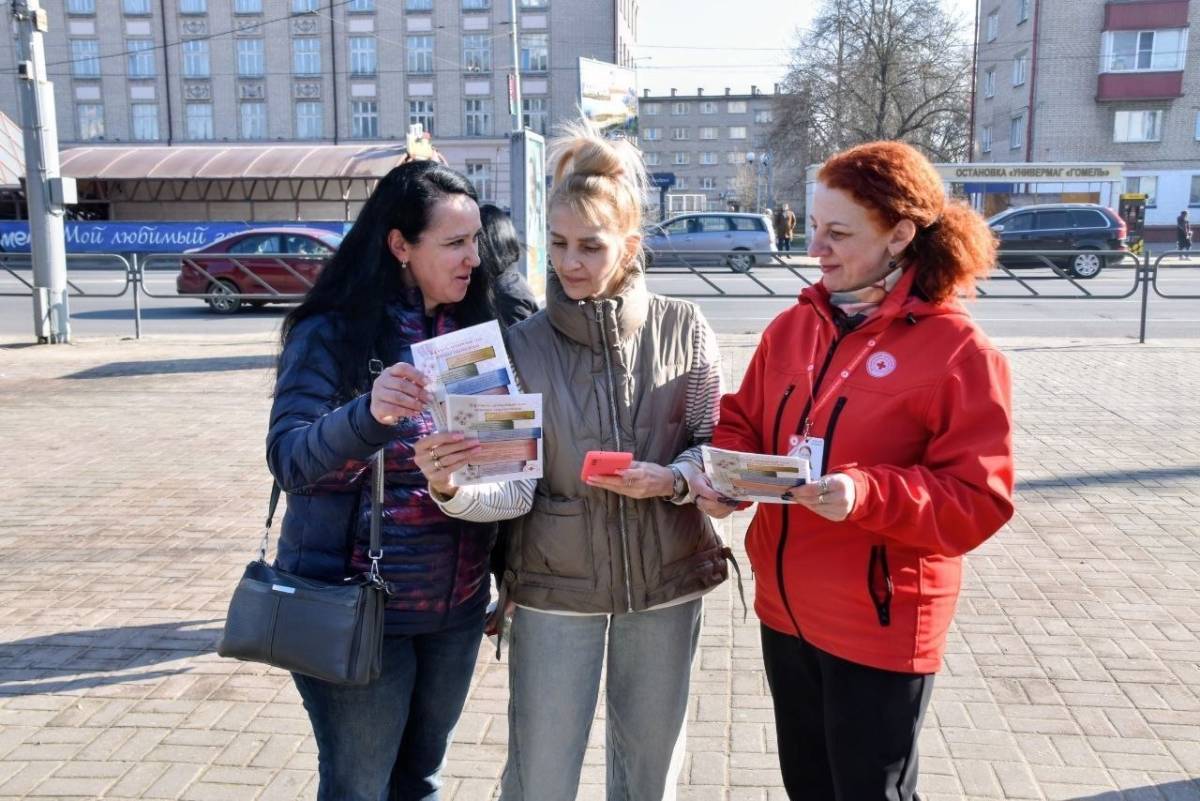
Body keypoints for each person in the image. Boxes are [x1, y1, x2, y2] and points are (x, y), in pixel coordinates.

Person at [412, 121, 731, 800]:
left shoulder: (685, 327)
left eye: (591, 246)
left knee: (650, 775)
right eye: (557, 244)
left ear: (631, 246)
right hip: (555, 589)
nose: (570, 263)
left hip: (667, 581)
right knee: (540, 777)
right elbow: (508, 488)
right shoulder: (518, 348)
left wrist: (673, 479)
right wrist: (450, 486)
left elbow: (712, 442)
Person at [699, 141, 1015, 801]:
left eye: (838, 233)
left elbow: (976, 498)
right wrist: (725, 472)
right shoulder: (795, 326)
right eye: (813, 227)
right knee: (808, 788)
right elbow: (743, 419)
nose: (817, 247)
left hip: (880, 619)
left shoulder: (959, 351)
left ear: (900, 234)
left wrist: (867, 493)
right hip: (785, 611)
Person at [267, 160, 497, 801]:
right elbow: (291, 460)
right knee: (360, 787)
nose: (473, 258)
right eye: (454, 242)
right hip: (358, 608)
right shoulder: (331, 333)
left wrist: (507, 574)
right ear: (400, 245)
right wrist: (367, 415)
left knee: (420, 781)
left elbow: (499, 471)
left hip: (455, 608)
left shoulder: (471, 334)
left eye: (474, 240)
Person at [477, 203, 540, 328]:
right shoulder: (507, 280)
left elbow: (520, 344)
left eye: (475, 239)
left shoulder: (505, 291)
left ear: (488, 243)